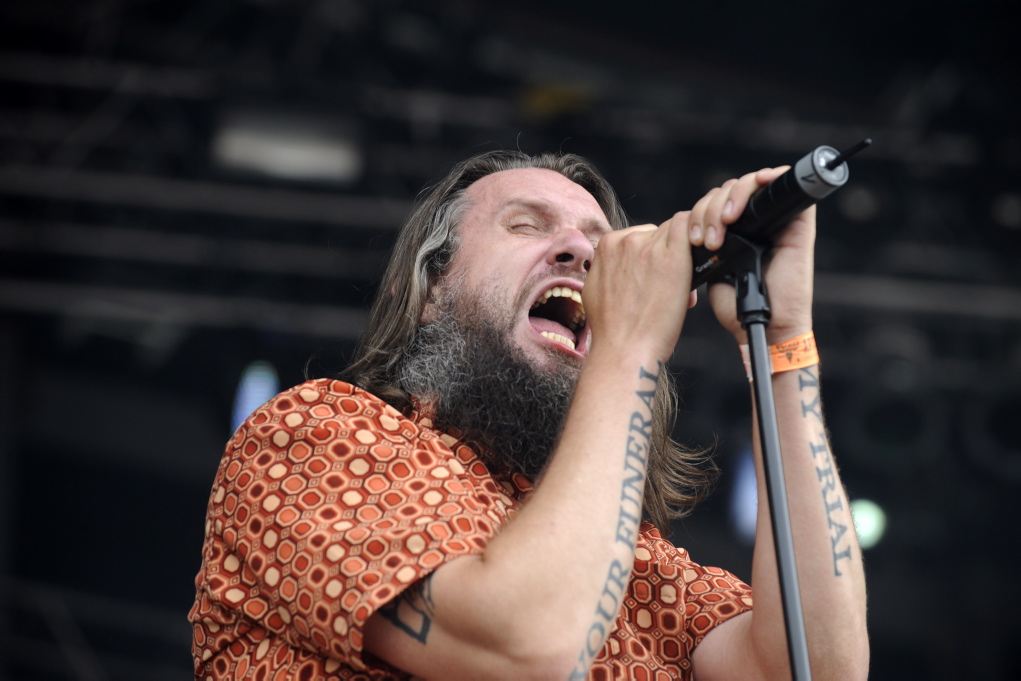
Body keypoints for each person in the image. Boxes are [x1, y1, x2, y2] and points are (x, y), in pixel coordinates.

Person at [189, 150, 869, 680]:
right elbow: (526, 646)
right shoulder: (311, 437)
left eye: (599, 245)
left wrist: (783, 345)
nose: (578, 253)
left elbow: (812, 665)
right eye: (526, 224)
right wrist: (628, 344)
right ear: (427, 287)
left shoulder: (640, 563)